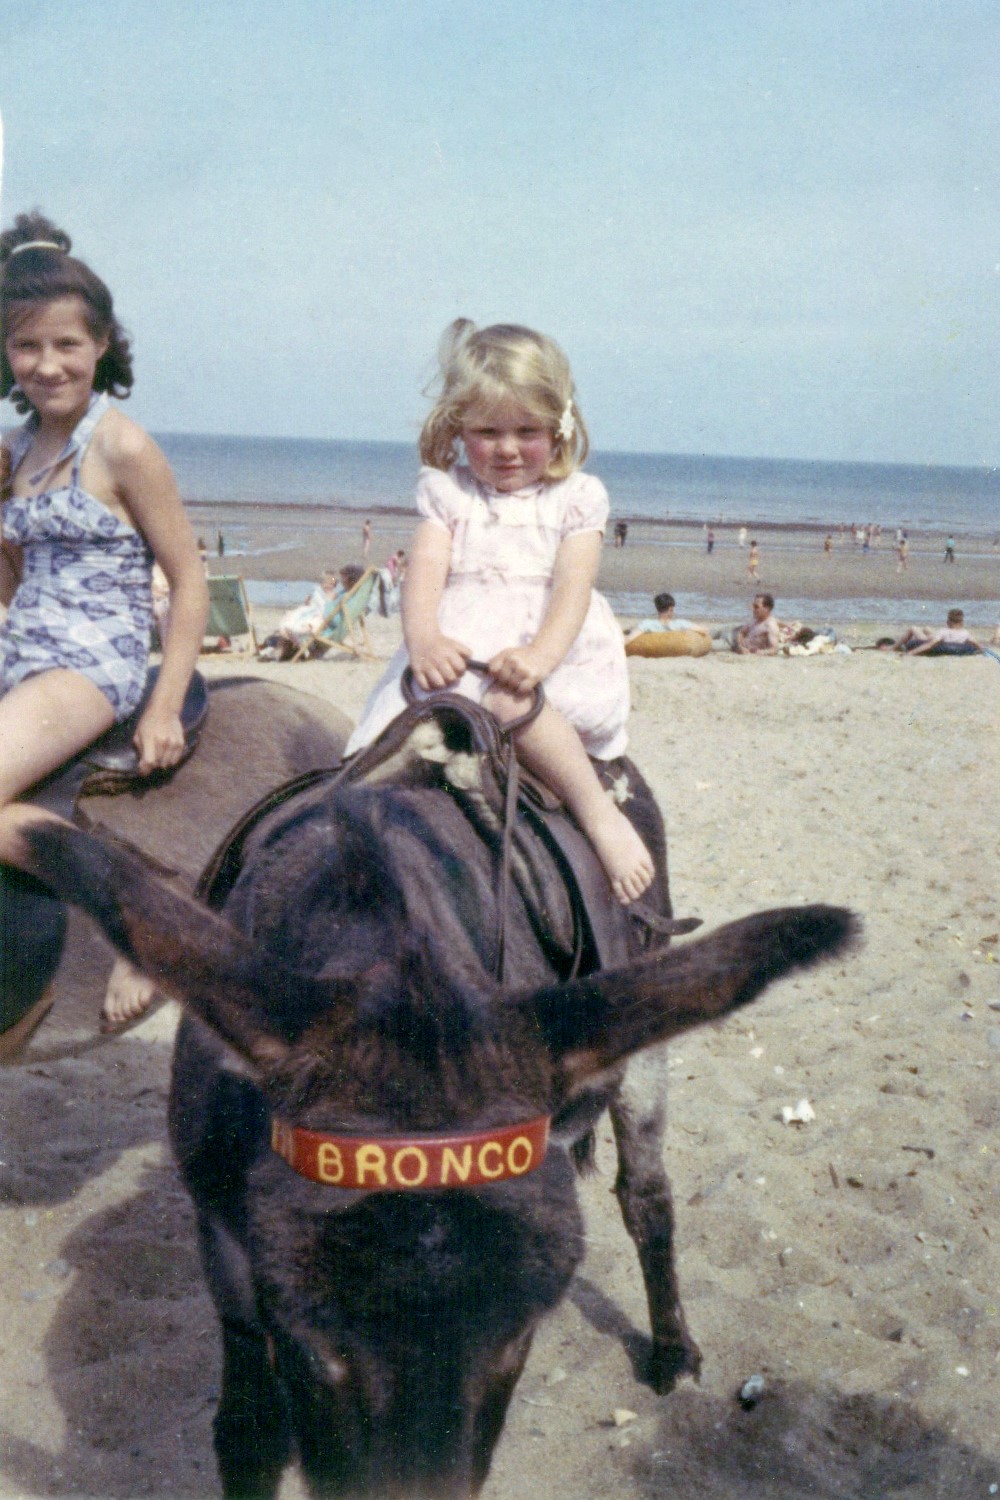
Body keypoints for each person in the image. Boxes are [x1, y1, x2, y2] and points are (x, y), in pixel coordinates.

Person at [344, 318, 653, 903]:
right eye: (487, 431)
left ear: (559, 428)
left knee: (513, 704)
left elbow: (572, 587)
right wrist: (425, 638)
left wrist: (541, 656)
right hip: (462, 650)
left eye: (526, 430)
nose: (507, 448)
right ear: (459, 428)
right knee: (383, 747)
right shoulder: (449, 494)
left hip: (539, 652)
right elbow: (426, 569)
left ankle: (597, 814)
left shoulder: (575, 500)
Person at [0, 211, 209, 1032]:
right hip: (22, 651)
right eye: (26, 347)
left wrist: (163, 702)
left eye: (67, 346)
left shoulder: (121, 447)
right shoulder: (13, 451)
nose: (47, 365)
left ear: (102, 347)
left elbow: (189, 579)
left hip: (94, 659)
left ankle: (134, 908)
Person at [891, 609, 982, 656]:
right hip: (948, 641)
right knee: (927, 629)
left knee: (913, 628)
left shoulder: (944, 631)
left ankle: (893, 647)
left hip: (934, 641)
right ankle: (926, 630)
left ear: (948, 622)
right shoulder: (965, 633)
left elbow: (930, 645)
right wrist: (982, 651)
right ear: (962, 622)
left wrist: (910, 653)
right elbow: (976, 643)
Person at [625, 593, 710, 643]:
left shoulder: (647, 624)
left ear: (657, 608)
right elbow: (704, 631)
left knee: (631, 629)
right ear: (670, 609)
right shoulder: (679, 624)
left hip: (649, 629)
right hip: (679, 630)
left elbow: (629, 638)